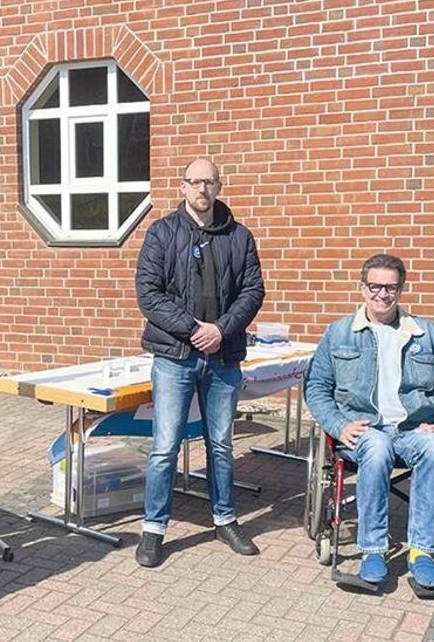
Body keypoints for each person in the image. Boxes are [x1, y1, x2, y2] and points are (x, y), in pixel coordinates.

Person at [303, 254, 434, 589]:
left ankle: (422, 552)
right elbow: (316, 386)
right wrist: (338, 425)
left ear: (401, 289)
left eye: (390, 287)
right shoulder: (339, 333)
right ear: (362, 288)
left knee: (433, 446)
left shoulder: (428, 333)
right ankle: (373, 551)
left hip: (412, 431)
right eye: (375, 286)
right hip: (362, 431)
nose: (382, 294)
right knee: (378, 446)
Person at [134, 157, 266, 567]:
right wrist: (195, 329)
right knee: (164, 447)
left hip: (223, 357)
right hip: (175, 357)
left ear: (219, 186)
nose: (202, 190)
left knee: (222, 445)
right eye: (194, 182)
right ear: (182, 187)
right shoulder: (161, 234)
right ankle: (154, 529)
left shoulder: (240, 237)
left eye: (209, 182)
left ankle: (224, 519)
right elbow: (149, 294)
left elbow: (253, 291)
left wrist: (222, 329)